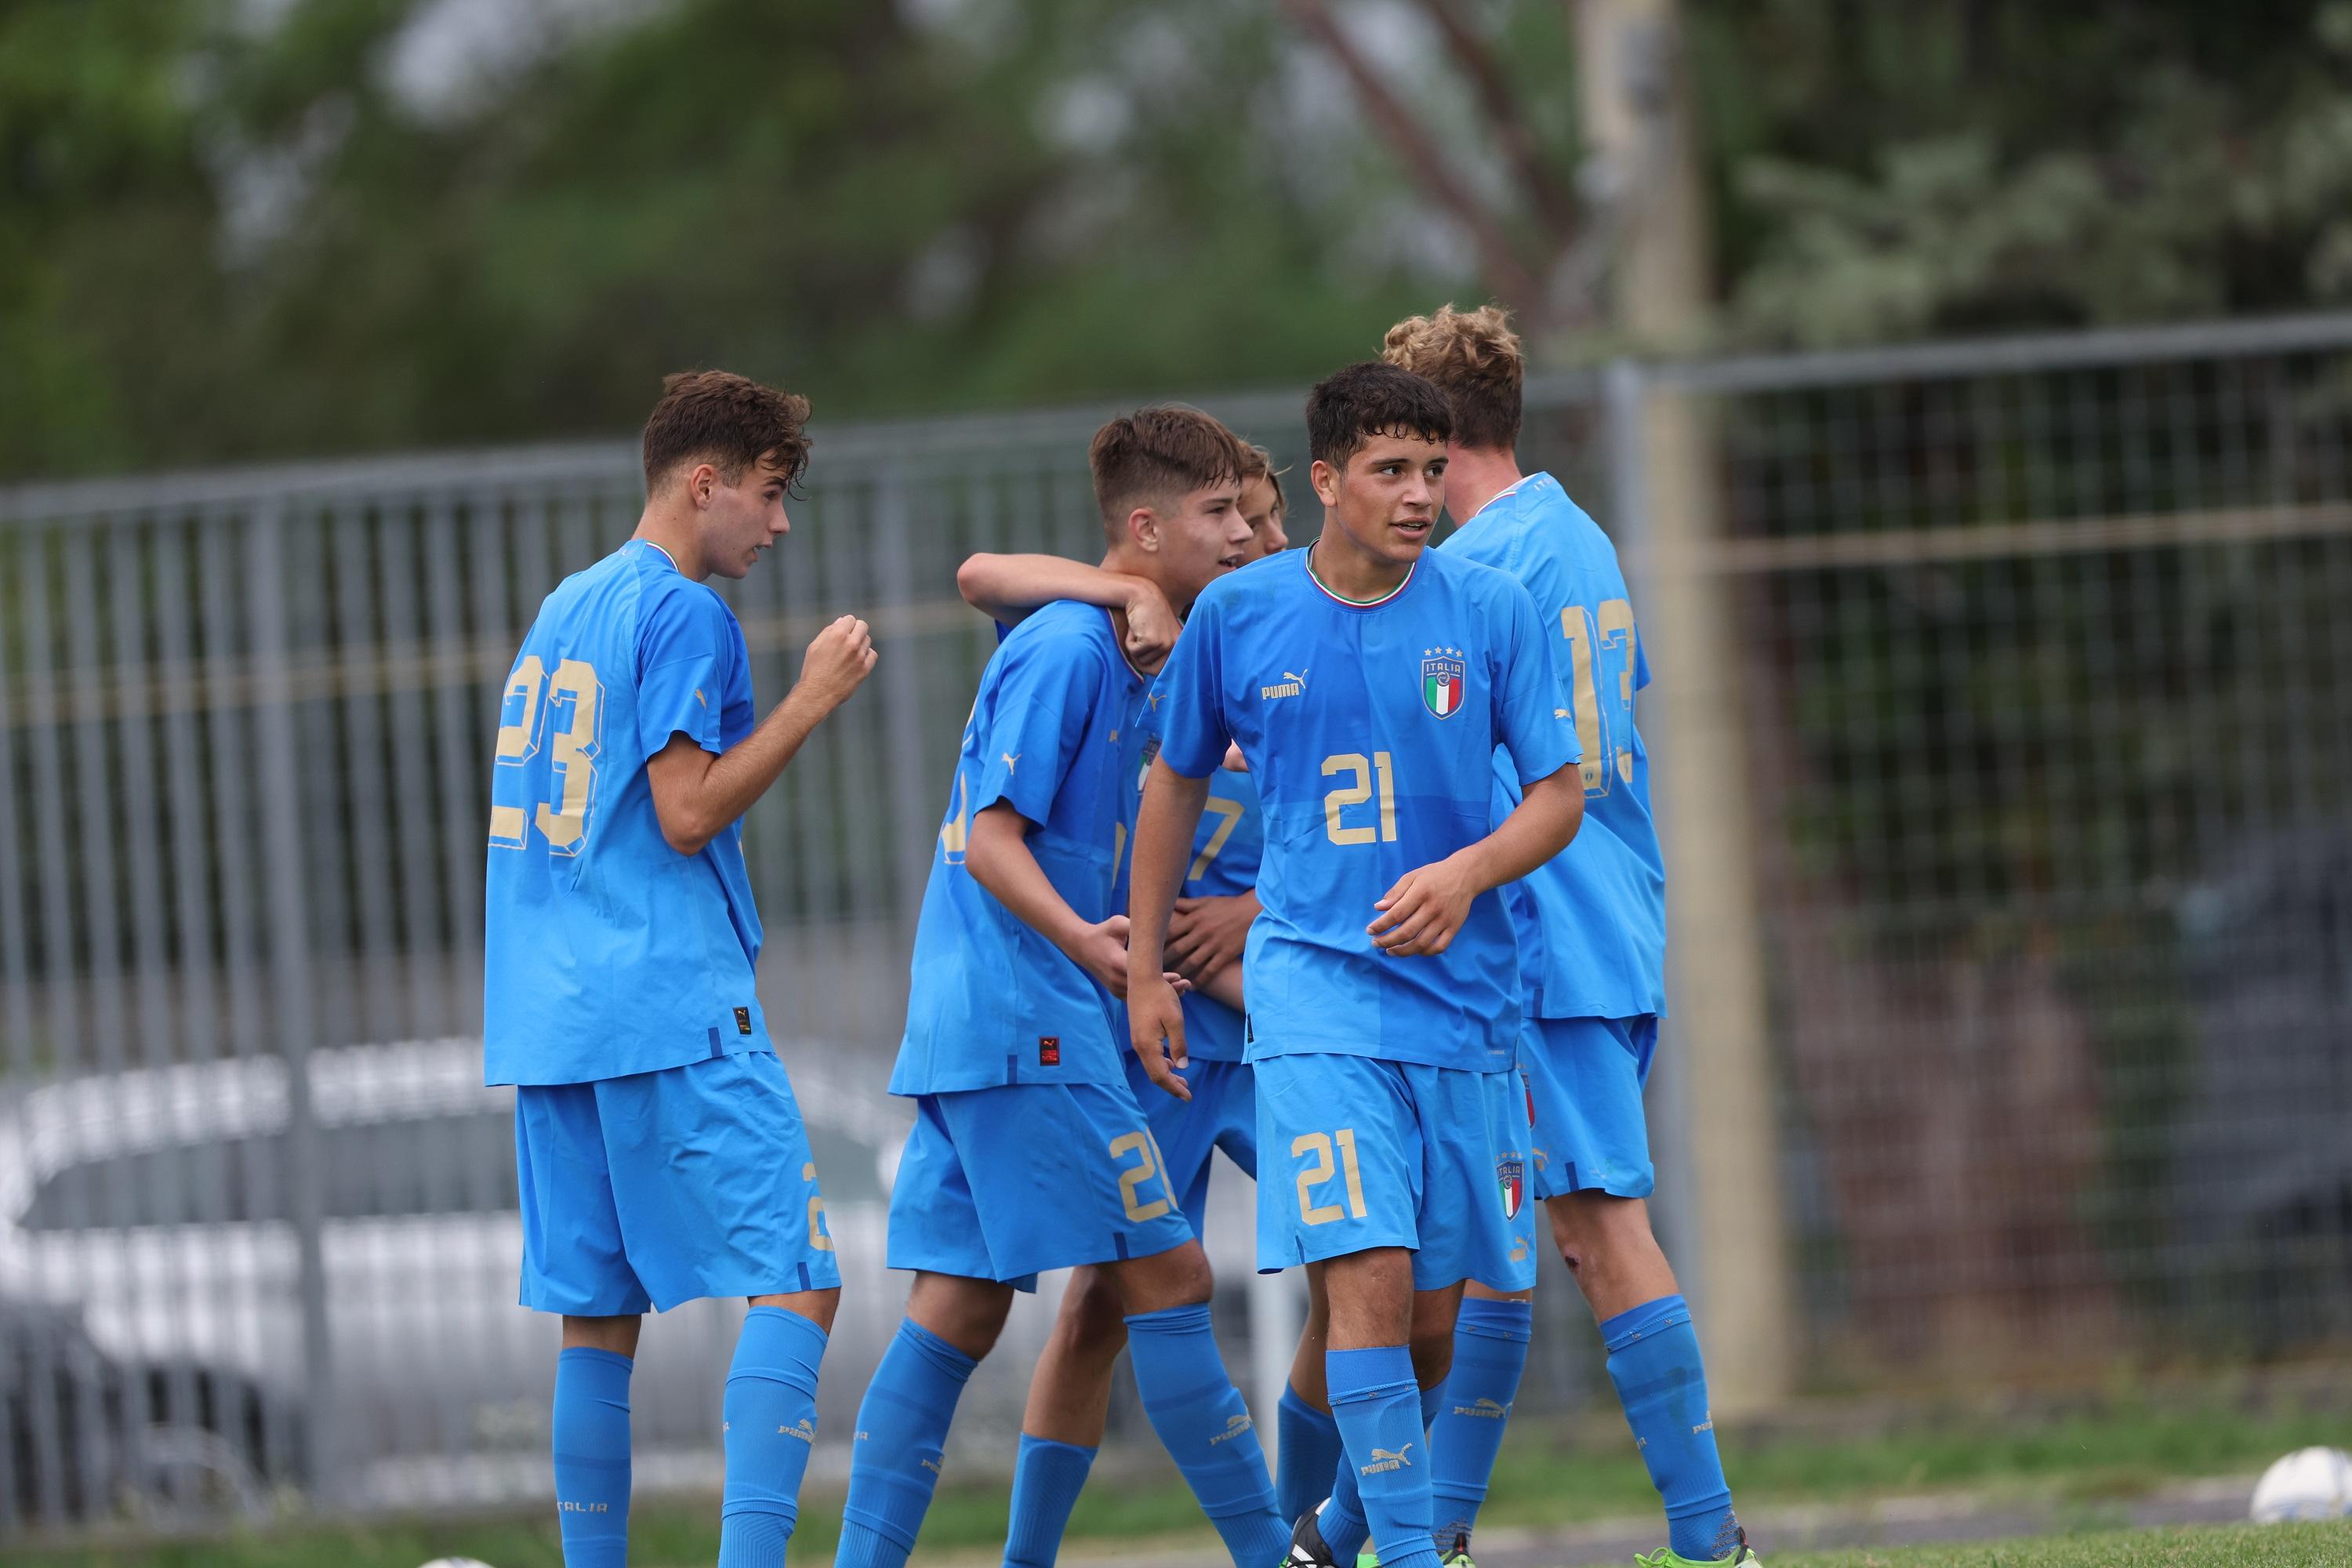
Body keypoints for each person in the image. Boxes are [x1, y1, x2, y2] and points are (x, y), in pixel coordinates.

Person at [1126, 363, 1585, 1568]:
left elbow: (1557, 797)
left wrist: (1467, 874)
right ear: (1326, 481)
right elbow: (1173, 780)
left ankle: (1329, 1537)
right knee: (1368, 1284)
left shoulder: (1489, 612)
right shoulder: (1242, 615)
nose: (1420, 493)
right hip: (1315, 1001)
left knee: (1430, 1327)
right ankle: (1415, 1556)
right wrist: (1141, 972)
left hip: (1463, 1013)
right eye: (1391, 470)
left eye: (1433, 470)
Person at [837, 408, 1287, 1568]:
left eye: (1248, 513)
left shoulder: (1131, 645)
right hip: (1029, 1017)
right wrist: (1097, 947)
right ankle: (1274, 1554)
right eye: (1219, 514)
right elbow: (990, 841)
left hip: (993, 1021)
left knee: (962, 1308)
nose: (1243, 534)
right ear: (1145, 529)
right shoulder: (1066, 650)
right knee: (1173, 1275)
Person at [483, 370, 877, 1568]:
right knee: (800, 1283)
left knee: (596, 1323)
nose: (779, 521)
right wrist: (809, 699)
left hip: (549, 1017)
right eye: (767, 493)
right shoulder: (685, 612)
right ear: (703, 484)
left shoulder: (565, 604)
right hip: (665, 1002)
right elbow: (688, 812)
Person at [1385, 304, 1758, 1567]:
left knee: (1599, 1226)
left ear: (1439, 446)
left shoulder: (1488, 568)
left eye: (1403, 457)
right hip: (1589, 922)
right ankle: (1423, 1534)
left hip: (1547, 938)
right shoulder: (1570, 533)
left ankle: (1712, 1539)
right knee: (1504, 1244)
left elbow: (1452, 749)